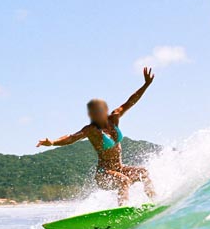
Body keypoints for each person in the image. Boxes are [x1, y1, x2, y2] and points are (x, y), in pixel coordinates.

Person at [37, 67, 157, 206]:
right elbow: (71, 137)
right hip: (103, 174)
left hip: (119, 169)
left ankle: (154, 201)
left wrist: (146, 85)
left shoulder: (114, 119)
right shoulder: (91, 130)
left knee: (143, 172)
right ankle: (123, 209)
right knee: (124, 180)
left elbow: (130, 102)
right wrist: (52, 142)